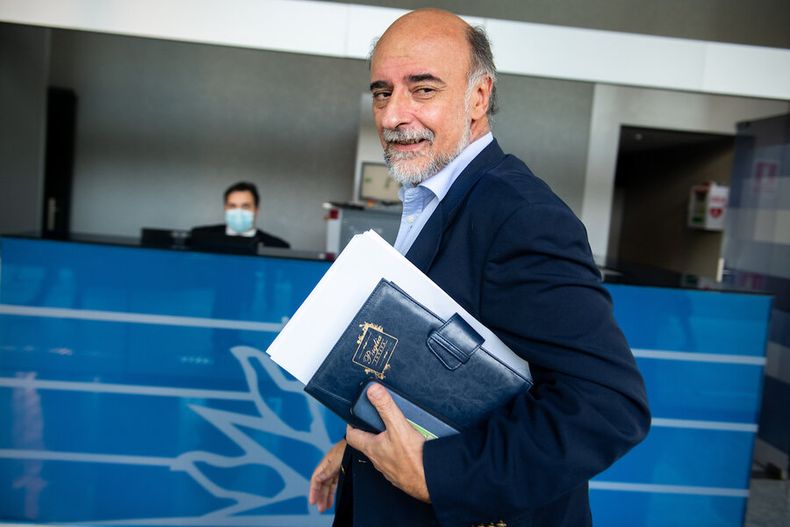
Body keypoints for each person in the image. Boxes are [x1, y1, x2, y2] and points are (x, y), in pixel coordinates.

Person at [309, 8, 650, 527]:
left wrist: (442, 476)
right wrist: (362, 448)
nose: (393, 114)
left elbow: (608, 406)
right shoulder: (435, 197)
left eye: (422, 89)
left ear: (478, 97)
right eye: (382, 91)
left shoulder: (521, 216)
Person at [191, 181, 290, 248]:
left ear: (256, 210)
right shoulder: (201, 236)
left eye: (245, 206)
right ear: (225, 209)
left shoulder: (277, 246)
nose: (238, 212)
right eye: (233, 206)